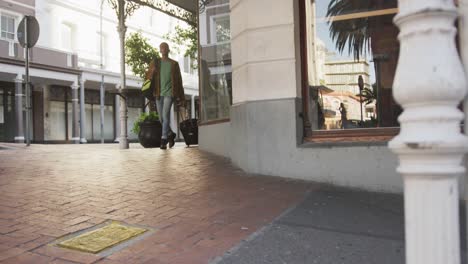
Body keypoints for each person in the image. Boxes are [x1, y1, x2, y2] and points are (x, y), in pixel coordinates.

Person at [146, 42, 186, 149]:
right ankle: (171, 134)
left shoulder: (174, 64)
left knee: (165, 114)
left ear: (168, 50)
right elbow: (147, 76)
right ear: (160, 50)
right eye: (161, 48)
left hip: (170, 93)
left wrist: (181, 97)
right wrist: (152, 72)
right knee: (161, 118)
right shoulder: (156, 63)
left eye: (165, 48)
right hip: (158, 93)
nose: (163, 49)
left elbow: (179, 81)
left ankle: (163, 139)